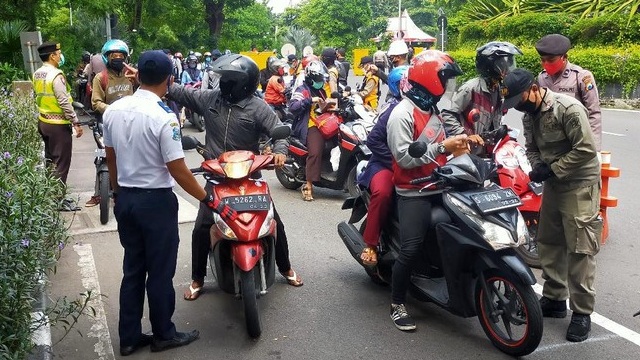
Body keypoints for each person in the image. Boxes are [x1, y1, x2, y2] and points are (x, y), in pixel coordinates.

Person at [167, 53, 303, 301]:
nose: (224, 83)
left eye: (229, 79)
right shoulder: (211, 99)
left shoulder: (258, 107)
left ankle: (285, 267)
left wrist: (281, 153)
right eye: (223, 78)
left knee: (274, 224)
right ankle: (198, 278)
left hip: (249, 176)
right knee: (202, 227)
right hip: (218, 177)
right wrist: (155, 80)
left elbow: (280, 133)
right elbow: (181, 93)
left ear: (243, 82)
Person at [104, 50, 212, 355]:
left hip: (126, 198)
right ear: (169, 79)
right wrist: (208, 198)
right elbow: (177, 168)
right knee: (161, 271)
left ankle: (129, 337)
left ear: (138, 76)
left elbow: (111, 158)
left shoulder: (114, 110)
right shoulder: (164, 116)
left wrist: (115, 193)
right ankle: (164, 333)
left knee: (134, 269)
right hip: (156, 204)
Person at [502, 68, 602, 343]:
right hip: (555, 184)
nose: (519, 106)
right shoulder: (529, 115)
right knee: (549, 240)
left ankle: (582, 313)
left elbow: (585, 149)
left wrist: (553, 168)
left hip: (580, 183)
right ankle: (555, 298)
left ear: (533, 88)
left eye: (520, 99)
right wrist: (537, 167)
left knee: (579, 248)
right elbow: (532, 148)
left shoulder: (567, 108)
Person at [386, 50, 467, 331]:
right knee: (410, 248)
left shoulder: (433, 109)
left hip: (442, 185)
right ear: (430, 79)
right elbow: (405, 158)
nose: (447, 85)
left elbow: (445, 149)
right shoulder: (402, 114)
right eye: (444, 79)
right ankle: (397, 303)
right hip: (413, 191)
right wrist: (445, 147)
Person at [357, 65, 408, 265]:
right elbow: (373, 140)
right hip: (385, 164)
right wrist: (396, 162)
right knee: (384, 193)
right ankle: (370, 243)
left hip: (415, 165)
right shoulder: (393, 108)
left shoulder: (427, 106)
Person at [441, 41, 522, 155]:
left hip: (490, 151)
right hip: (468, 152)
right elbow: (447, 114)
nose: (507, 69)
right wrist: (465, 135)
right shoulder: (471, 88)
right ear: (490, 66)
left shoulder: (499, 88)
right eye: (503, 65)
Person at [32, 41, 84, 211]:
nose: (60, 55)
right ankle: (58, 200)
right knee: (61, 162)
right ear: (52, 55)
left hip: (43, 121)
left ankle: (49, 195)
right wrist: (75, 121)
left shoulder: (38, 73)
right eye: (59, 52)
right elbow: (63, 100)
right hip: (58, 124)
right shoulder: (55, 75)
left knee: (50, 161)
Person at [85, 39, 136, 207]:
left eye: (121, 55)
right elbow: (96, 103)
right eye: (114, 55)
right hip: (106, 124)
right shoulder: (101, 78)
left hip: (130, 123)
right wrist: (114, 110)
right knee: (101, 156)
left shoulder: (131, 76)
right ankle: (98, 193)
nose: (118, 58)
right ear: (107, 57)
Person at [535, 34, 602, 152]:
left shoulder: (581, 77)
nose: (546, 64)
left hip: (575, 140)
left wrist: (593, 149)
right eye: (543, 60)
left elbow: (593, 113)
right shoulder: (541, 78)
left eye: (550, 60)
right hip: (551, 143)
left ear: (564, 57)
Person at [289, 60, 332, 202]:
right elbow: (293, 107)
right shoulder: (302, 90)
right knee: (315, 151)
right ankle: (308, 185)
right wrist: (310, 100)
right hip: (310, 125)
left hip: (325, 123)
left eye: (322, 79)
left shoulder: (321, 90)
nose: (321, 81)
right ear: (311, 78)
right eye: (318, 79)